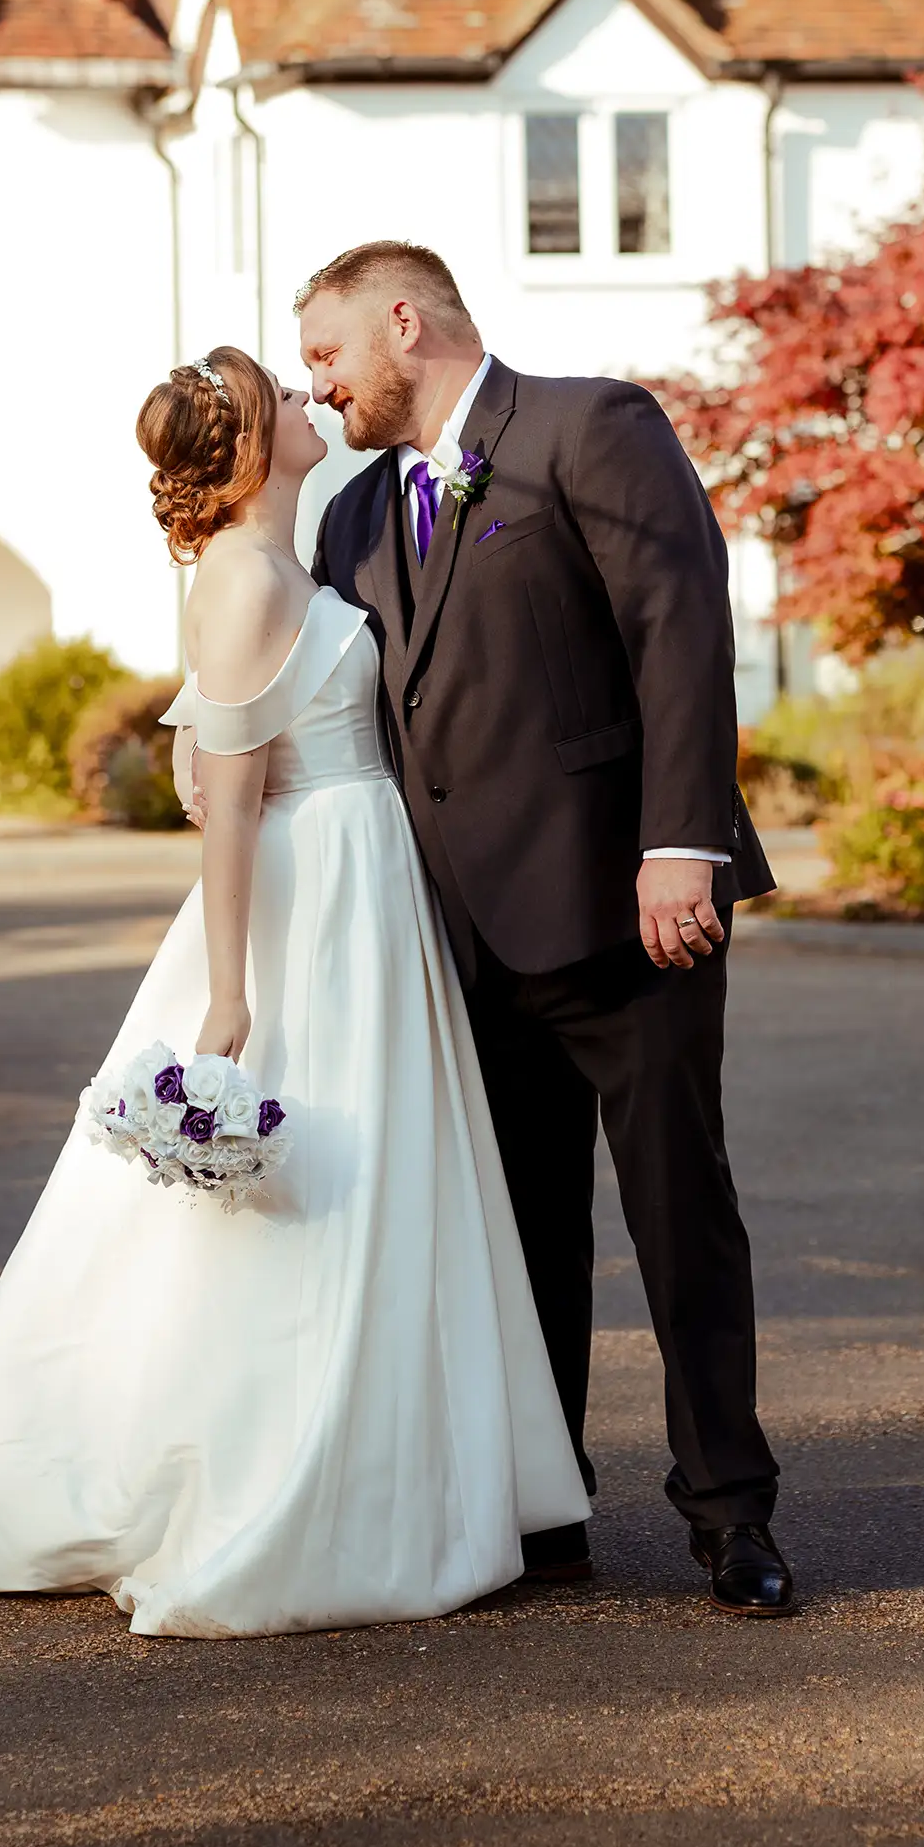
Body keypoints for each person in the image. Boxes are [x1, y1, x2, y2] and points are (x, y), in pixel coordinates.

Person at [0, 347, 587, 1638]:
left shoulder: (288, 560)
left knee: (375, 1187)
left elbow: (220, 736)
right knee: (303, 1195)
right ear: (249, 447)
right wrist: (228, 994)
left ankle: (388, 1470)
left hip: (363, 887)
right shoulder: (247, 577)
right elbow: (229, 806)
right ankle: (274, 1483)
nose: (310, 400)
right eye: (286, 395)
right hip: (304, 903)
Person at [302, 241, 792, 1616]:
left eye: (331, 352)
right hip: (458, 941)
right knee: (517, 1239)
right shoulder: (347, 520)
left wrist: (679, 845)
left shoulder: (591, 425)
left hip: (632, 915)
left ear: (406, 322)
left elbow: (678, 629)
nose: (317, 381)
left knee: (679, 1214)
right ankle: (543, 1505)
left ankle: (730, 1513)